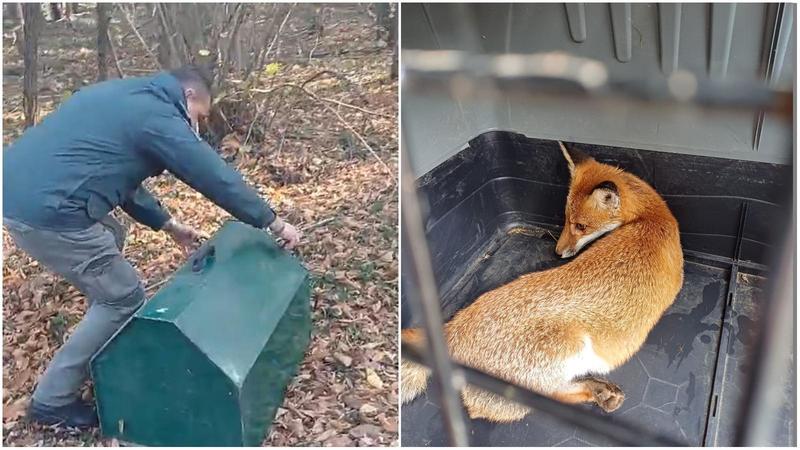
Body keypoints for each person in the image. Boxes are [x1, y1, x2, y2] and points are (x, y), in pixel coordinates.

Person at [3, 65, 301, 428]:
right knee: (123, 297)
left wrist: (167, 225)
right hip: (49, 213)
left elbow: (117, 175)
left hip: (28, 195)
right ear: (188, 96)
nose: (198, 126)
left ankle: (108, 336)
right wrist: (272, 221)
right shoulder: (158, 116)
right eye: (200, 116)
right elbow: (212, 175)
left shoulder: (125, 97)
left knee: (112, 237)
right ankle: (52, 403)